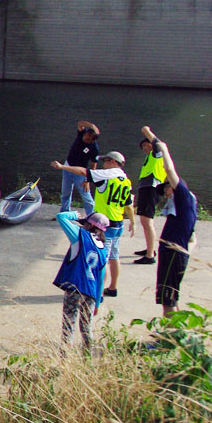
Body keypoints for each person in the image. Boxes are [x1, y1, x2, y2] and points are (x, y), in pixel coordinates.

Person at [53, 151, 132, 297]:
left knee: (103, 259)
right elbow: (129, 204)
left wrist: (63, 167)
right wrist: (132, 222)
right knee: (114, 256)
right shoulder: (125, 179)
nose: (103, 164)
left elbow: (84, 171)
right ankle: (113, 288)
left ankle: (98, 293)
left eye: (106, 161)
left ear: (113, 162)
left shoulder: (108, 175)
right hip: (119, 223)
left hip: (105, 225)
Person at [143, 127, 196, 317]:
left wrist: (160, 146)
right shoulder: (187, 208)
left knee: (167, 301)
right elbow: (192, 238)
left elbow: (169, 169)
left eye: (166, 189)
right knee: (172, 297)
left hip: (173, 255)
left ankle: (167, 341)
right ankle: (176, 335)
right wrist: (185, 254)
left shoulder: (183, 197)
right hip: (175, 254)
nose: (165, 193)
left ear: (173, 188)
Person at [53, 210, 109, 354]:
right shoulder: (103, 249)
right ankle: (87, 357)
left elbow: (61, 217)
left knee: (68, 326)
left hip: (75, 288)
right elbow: (101, 278)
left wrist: (74, 215)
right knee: (86, 328)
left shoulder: (79, 236)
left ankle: (64, 359)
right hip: (90, 292)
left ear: (90, 225)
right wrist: (97, 302)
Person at [132, 137, 167, 265]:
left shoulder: (157, 154)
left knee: (147, 221)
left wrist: (146, 131)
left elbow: (157, 141)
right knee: (144, 220)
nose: (145, 149)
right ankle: (149, 248)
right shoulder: (149, 158)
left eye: (146, 145)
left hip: (151, 189)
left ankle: (150, 255)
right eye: (143, 147)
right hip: (145, 188)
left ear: (152, 145)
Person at [59, 121, 101, 214]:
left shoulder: (94, 149)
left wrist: (88, 180)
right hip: (68, 167)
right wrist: (92, 125)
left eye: (88, 139)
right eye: (85, 136)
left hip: (80, 173)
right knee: (65, 193)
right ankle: (65, 213)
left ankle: (91, 216)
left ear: (93, 141)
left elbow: (93, 165)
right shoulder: (81, 134)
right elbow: (80, 124)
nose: (85, 139)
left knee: (86, 196)